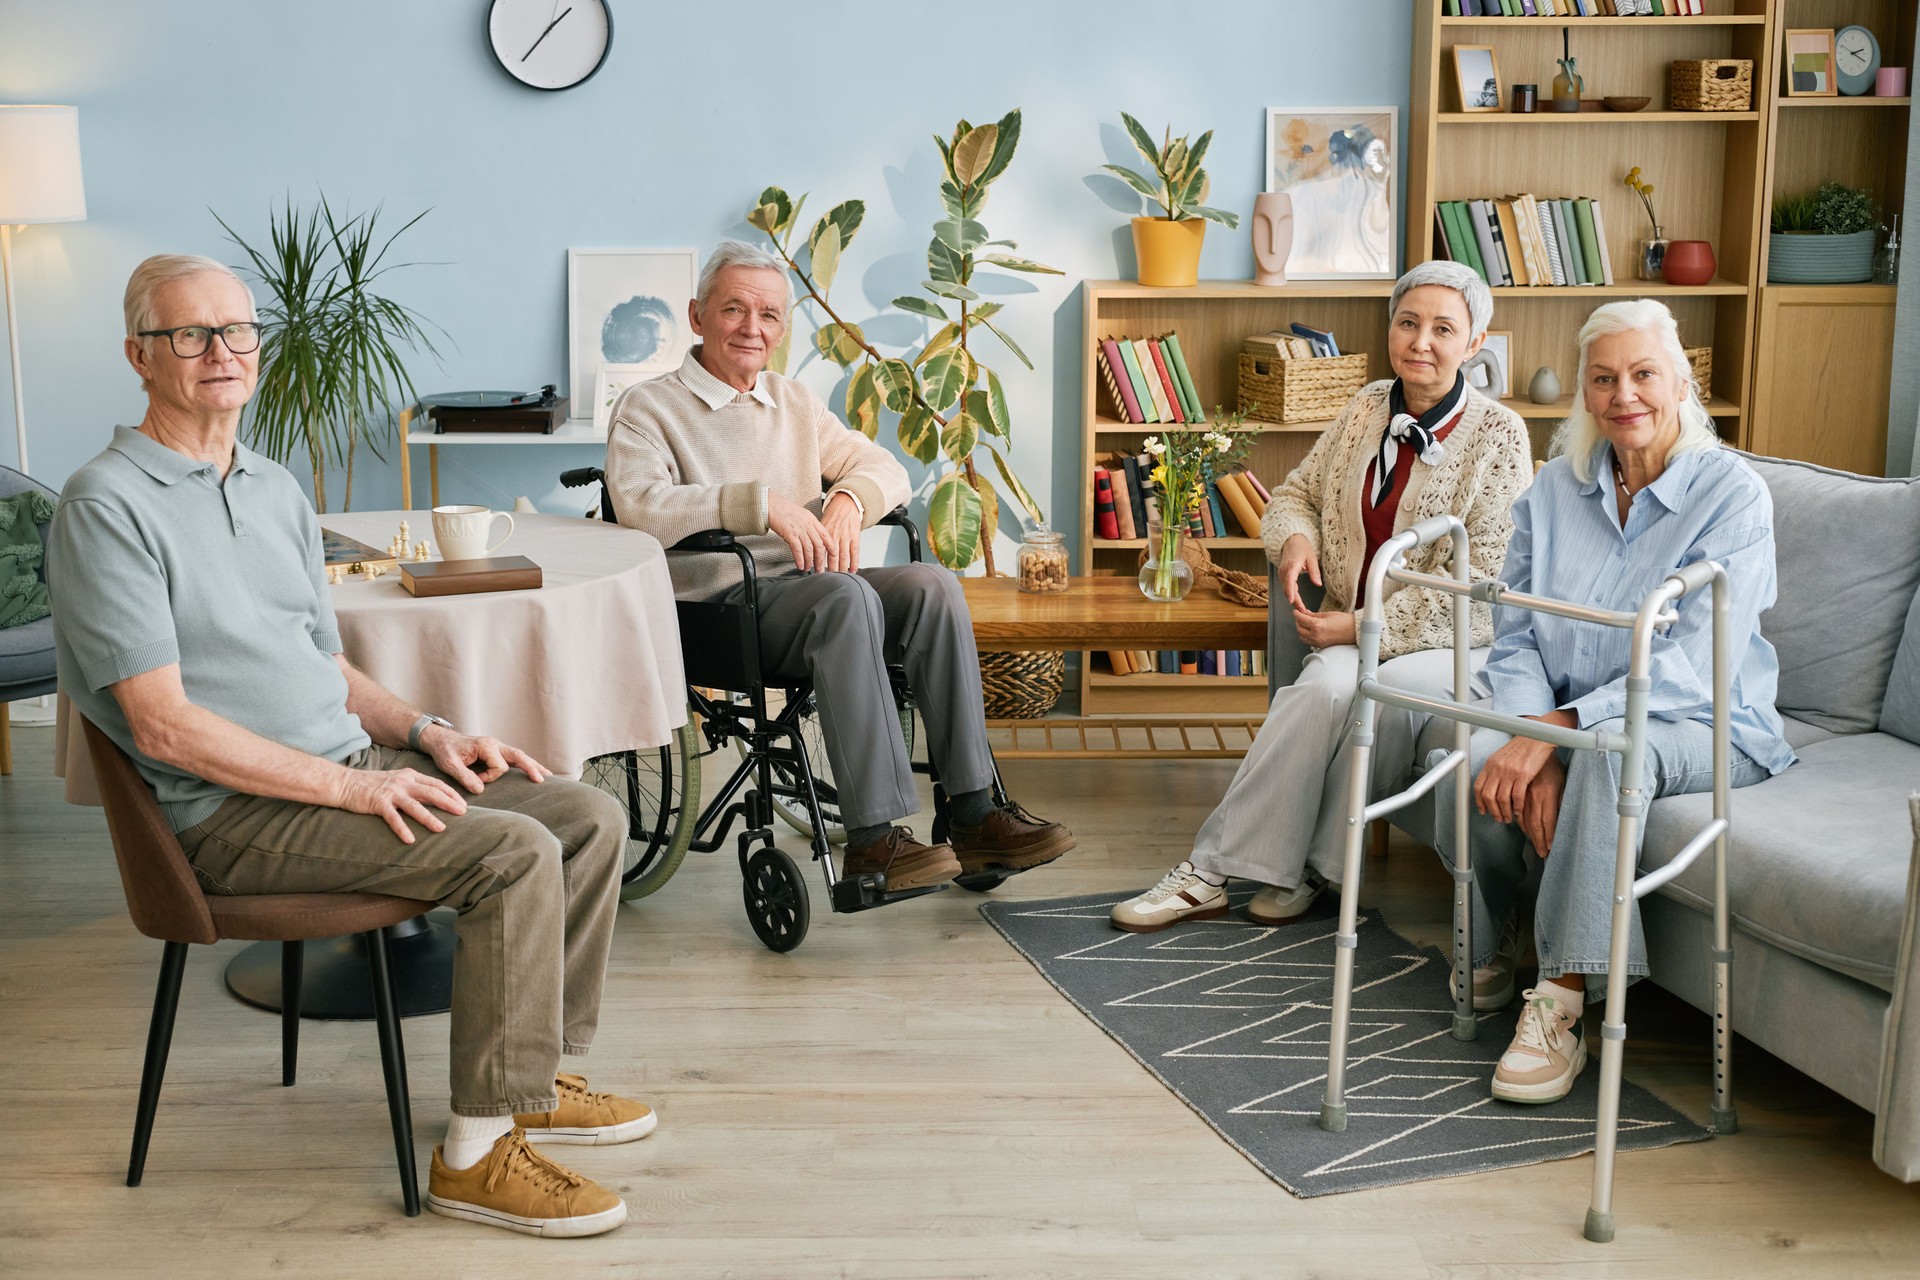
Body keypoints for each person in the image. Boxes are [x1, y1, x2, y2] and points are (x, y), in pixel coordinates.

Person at [48, 255, 646, 1238]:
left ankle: (527, 1081)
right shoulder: (107, 505)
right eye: (188, 334)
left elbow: (327, 668)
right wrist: (350, 788)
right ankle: (474, 1157)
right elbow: (160, 724)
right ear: (138, 356)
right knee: (510, 851)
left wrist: (428, 732)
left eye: (237, 330)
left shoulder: (275, 488)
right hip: (224, 816)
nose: (221, 352)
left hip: (338, 775)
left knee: (583, 814)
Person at [604, 241, 1073, 891]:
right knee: (844, 596)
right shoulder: (648, 408)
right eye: (734, 309)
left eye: (768, 315)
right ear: (697, 316)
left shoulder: (791, 402)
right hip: (716, 608)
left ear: (782, 329)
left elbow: (885, 468)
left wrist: (849, 501)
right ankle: (875, 843)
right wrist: (763, 505)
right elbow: (641, 506)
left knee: (932, 585)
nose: (751, 328)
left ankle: (972, 812)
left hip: (804, 592)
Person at [1434, 298, 1793, 1104]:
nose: (1624, 394)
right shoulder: (1553, 491)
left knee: (1601, 762)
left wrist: (1563, 732)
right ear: (1585, 394)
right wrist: (1530, 732)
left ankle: (1562, 1005)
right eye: (1604, 379)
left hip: (1709, 723)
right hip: (1571, 716)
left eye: (1643, 375)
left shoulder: (1733, 496)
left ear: (1681, 383)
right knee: (1466, 752)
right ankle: (1493, 946)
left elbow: (1701, 661)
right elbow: (1517, 634)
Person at [1111, 261, 1532, 941]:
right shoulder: (1368, 403)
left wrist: (1365, 627)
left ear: (1475, 342)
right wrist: (1298, 539)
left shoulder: (1499, 436)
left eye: (1443, 329)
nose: (1421, 341)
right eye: (1408, 322)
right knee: (1326, 690)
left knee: (1345, 689)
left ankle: (1225, 869)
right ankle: (1269, 872)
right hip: (1345, 627)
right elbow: (1296, 492)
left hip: (1441, 643)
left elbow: (1485, 589)